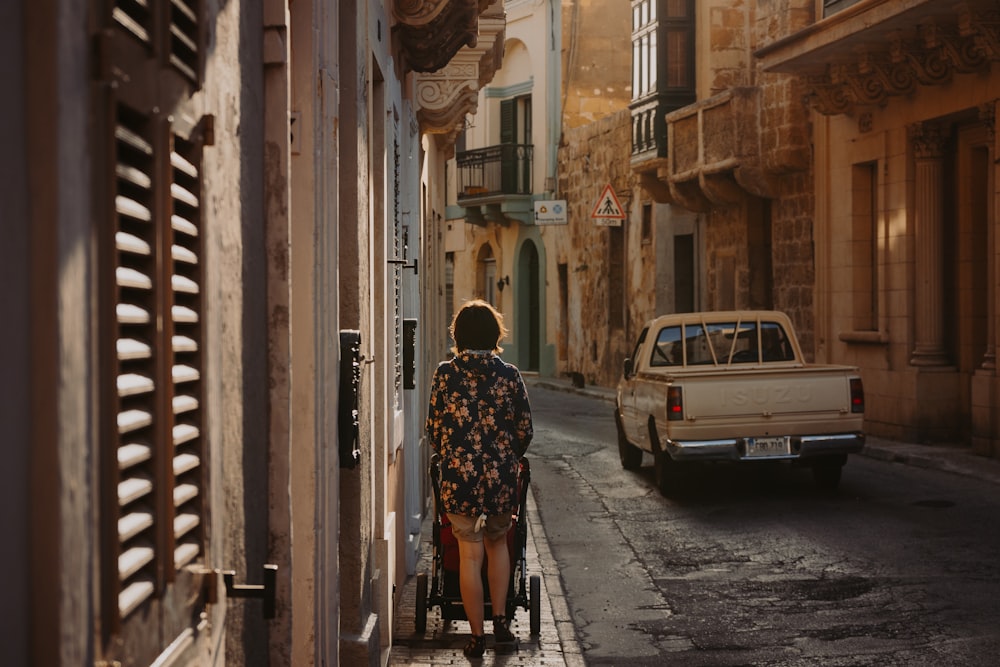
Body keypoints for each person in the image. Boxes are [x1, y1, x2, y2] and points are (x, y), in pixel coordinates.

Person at [425, 299, 534, 658]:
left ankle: (475, 637)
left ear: (458, 335)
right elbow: (525, 430)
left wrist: (455, 454)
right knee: (498, 544)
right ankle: (500, 620)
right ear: (493, 334)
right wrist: (505, 456)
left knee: (470, 555)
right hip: (501, 480)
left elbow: (434, 429)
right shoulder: (510, 375)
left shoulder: (444, 375)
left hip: (459, 481)